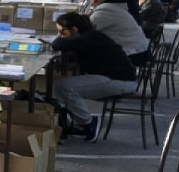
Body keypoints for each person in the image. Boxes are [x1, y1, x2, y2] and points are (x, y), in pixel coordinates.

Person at [51, 11, 137, 141]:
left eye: (62, 32)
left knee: (64, 86)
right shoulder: (90, 36)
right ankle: (76, 118)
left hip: (118, 80)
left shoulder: (89, 38)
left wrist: (58, 40)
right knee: (62, 87)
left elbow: (58, 44)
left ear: (74, 30)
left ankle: (88, 123)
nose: (59, 35)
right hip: (115, 78)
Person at [87, 0, 151, 65]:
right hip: (141, 50)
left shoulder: (104, 11)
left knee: (88, 56)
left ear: (94, 0)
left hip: (132, 55)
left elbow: (87, 30)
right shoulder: (114, 8)